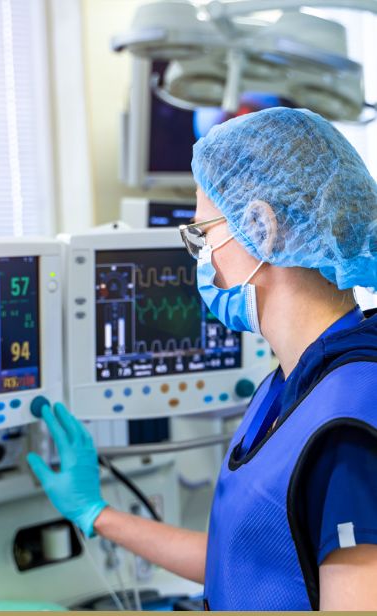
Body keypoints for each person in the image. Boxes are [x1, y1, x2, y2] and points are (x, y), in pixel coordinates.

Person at [28, 108, 377, 610]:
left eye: (204, 234)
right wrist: (96, 513)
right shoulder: (293, 382)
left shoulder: (348, 429)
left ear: (262, 226)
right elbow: (250, 564)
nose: (203, 260)